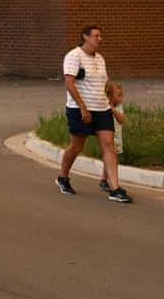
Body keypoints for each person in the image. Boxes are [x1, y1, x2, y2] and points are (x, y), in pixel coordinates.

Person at [56, 25, 132, 203]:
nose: (100, 39)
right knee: (76, 147)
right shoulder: (74, 56)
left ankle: (115, 188)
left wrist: (111, 104)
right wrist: (83, 107)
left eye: (100, 36)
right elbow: (69, 83)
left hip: (102, 109)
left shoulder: (100, 59)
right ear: (85, 37)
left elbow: (103, 85)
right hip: (80, 109)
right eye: (96, 36)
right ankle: (63, 177)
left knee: (109, 147)